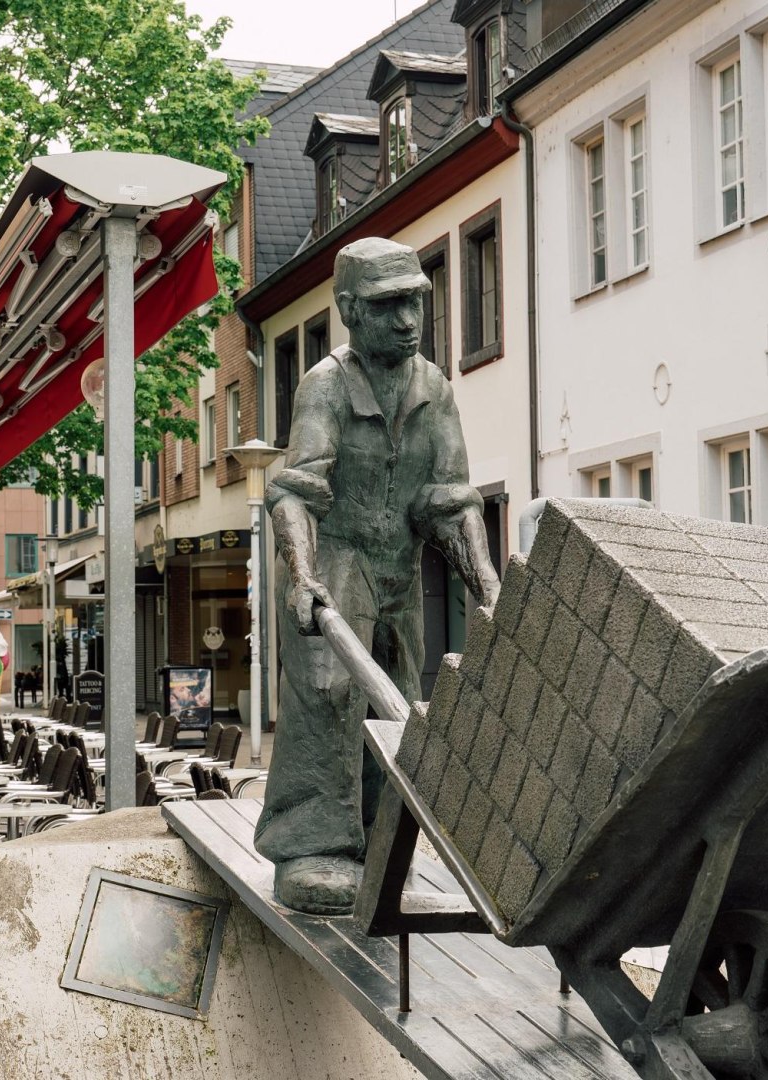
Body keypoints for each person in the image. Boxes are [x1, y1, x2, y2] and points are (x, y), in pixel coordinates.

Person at [255, 237, 502, 915]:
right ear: (350, 311)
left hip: (397, 565)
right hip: (332, 559)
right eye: (389, 306)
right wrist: (303, 575)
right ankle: (311, 846)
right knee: (329, 693)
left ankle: (379, 845)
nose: (408, 320)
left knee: (397, 696)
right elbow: (297, 491)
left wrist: (487, 584)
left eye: (415, 302)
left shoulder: (434, 389)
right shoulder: (326, 384)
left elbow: (449, 500)